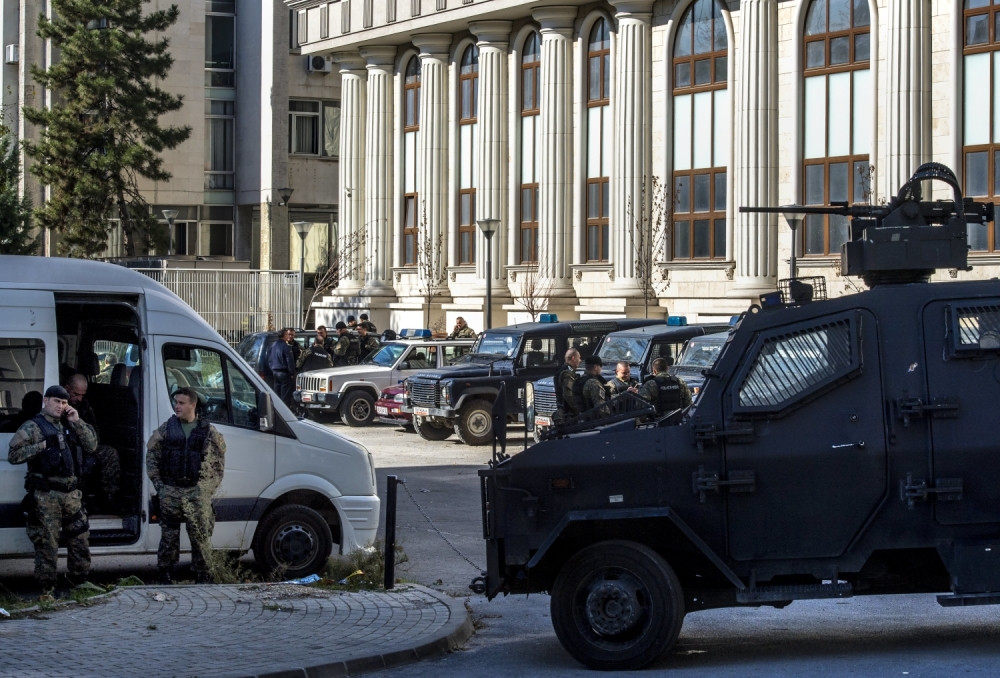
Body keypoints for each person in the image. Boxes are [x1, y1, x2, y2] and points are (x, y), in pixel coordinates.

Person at [8, 385, 99, 590]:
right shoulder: (33, 426)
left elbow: (92, 446)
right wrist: (41, 446)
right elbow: (13, 455)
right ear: (46, 401)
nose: (60, 406)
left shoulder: (70, 423)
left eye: (64, 402)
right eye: (57, 401)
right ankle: (46, 588)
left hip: (71, 494)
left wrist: (77, 421)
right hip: (46, 494)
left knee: (80, 537)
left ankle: (79, 582)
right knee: (47, 543)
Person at [146, 387, 227, 585]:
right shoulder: (166, 429)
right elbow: (152, 458)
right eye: (176, 402)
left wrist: (204, 490)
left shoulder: (208, 431)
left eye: (181, 403)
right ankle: (165, 572)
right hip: (170, 492)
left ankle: (202, 574)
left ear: (193, 405)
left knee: (200, 536)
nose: (177, 406)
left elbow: (217, 466)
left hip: (196, 493)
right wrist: (160, 486)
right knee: (168, 537)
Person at [64, 373, 120, 506]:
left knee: (110, 453)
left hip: (84, 445)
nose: (79, 398)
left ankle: (108, 498)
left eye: (82, 395)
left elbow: (94, 433)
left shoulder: (84, 406)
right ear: (67, 388)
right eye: (76, 394)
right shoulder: (58, 405)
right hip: (65, 448)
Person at [268, 328, 297, 406]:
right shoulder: (286, 346)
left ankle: (276, 408)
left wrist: (272, 369)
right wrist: (292, 373)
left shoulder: (273, 345)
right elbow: (289, 361)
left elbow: (269, 359)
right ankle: (284, 410)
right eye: (287, 334)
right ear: (284, 335)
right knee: (285, 396)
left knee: (277, 394)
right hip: (284, 373)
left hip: (275, 372)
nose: (289, 336)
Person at [554, 348, 582, 420]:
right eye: (579, 358)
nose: (580, 360)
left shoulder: (564, 370)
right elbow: (568, 395)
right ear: (573, 358)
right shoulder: (567, 373)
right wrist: (578, 410)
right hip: (568, 414)